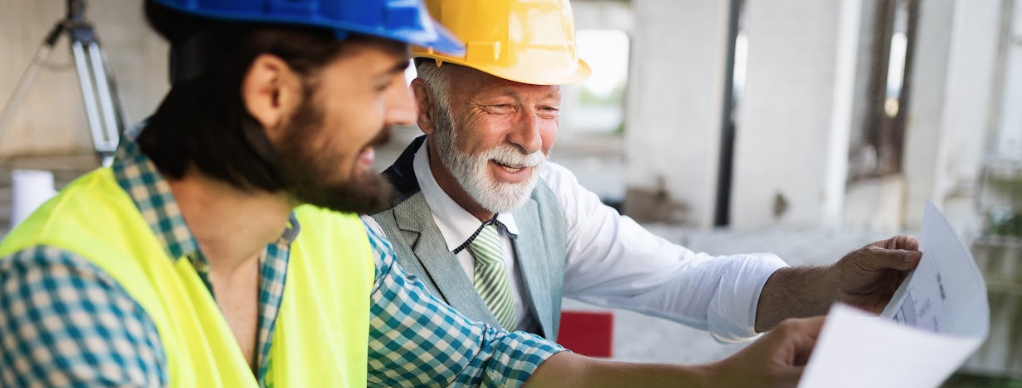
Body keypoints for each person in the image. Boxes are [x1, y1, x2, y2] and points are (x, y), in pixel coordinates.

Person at [0, 0, 830, 387]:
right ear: (273, 93)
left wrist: (722, 384)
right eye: (378, 83)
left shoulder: (324, 237)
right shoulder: (70, 283)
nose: (407, 110)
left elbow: (478, 364)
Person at [370, 0, 921, 342]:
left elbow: (684, 280)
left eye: (549, 108)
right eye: (500, 107)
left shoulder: (552, 199)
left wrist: (828, 286)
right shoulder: (364, 232)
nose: (531, 140)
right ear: (425, 107)